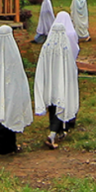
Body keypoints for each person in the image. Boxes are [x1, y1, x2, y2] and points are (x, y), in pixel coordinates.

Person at [0, 25, 33, 165]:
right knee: (6, 118)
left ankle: (10, 146)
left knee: (10, 115)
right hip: (8, 91)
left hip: (1, 91)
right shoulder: (12, 53)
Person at [35, 18, 80, 150]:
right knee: (61, 104)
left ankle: (57, 131)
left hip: (50, 84)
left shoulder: (46, 48)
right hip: (61, 84)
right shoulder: (65, 50)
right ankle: (52, 135)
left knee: (53, 107)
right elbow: (70, 68)